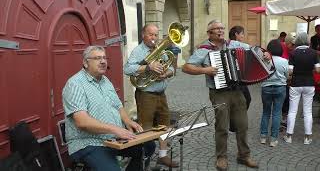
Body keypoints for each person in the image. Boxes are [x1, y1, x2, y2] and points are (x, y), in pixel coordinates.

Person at [62, 46, 155, 171]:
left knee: (148, 146)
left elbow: (118, 106)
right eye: (97, 58)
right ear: (85, 63)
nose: (103, 61)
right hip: (87, 143)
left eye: (104, 58)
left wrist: (128, 121)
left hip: (112, 139)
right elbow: (81, 121)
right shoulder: (75, 84)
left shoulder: (105, 81)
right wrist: (115, 129)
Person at [182, 20, 259, 170]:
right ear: (209, 33)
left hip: (237, 91)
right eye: (217, 29)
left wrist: (266, 53)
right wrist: (205, 70)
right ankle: (221, 157)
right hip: (219, 93)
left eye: (222, 28)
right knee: (222, 126)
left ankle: (244, 155)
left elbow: (252, 50)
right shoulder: (203, 50)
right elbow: (186, 67)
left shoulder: (234, 44)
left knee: (242, 125)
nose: (221, 31)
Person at [124, 24, 179, 168]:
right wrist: (148, 67)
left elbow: (172, 68)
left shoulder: (160, 49)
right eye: (151, 34)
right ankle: (144, 156)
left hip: (161, 93)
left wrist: (165, 73)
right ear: (143, 35)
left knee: (164, 124)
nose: (154, 38)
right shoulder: (138, 51)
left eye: (156, 35)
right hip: (146, 94)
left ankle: (162, 156)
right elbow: (128, 68)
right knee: (146, 126)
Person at [283, 32, 320, 145]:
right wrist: (310, 70)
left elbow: (290, 71)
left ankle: (289, 136)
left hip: (296, 83)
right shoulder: (314, 53)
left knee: (292, 110)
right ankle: (307, 137)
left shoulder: (293, 53)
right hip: (309, 83)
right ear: (308, 41)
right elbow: (318, 70)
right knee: (308, 111)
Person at [259, 39, 289, 147]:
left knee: (266, 112)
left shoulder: (264, 60)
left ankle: (263, 137)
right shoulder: (284, 61)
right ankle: (273, 139)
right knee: (277, 113)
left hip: (266, 88)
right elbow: (287, 76)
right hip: (280, 88)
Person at [228, 26, 251, 109]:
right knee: (247, 98)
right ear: (236, 34)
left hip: (239, 77)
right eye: (242, 34)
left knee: (245, 98)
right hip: (236, 78)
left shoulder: (237, 45)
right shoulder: (232, 43)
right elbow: (250, 47)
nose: (243, 36)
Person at [279, 33, 296, 131]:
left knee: (287, 101)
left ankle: (284, 120)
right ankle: (280, 120)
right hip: (281, 79)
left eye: (294, 45)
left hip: (289, 79)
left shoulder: (293, 51)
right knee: (281, 100)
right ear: (287, 42)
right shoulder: (281, 47)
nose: (293, 47)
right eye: (292, 45)